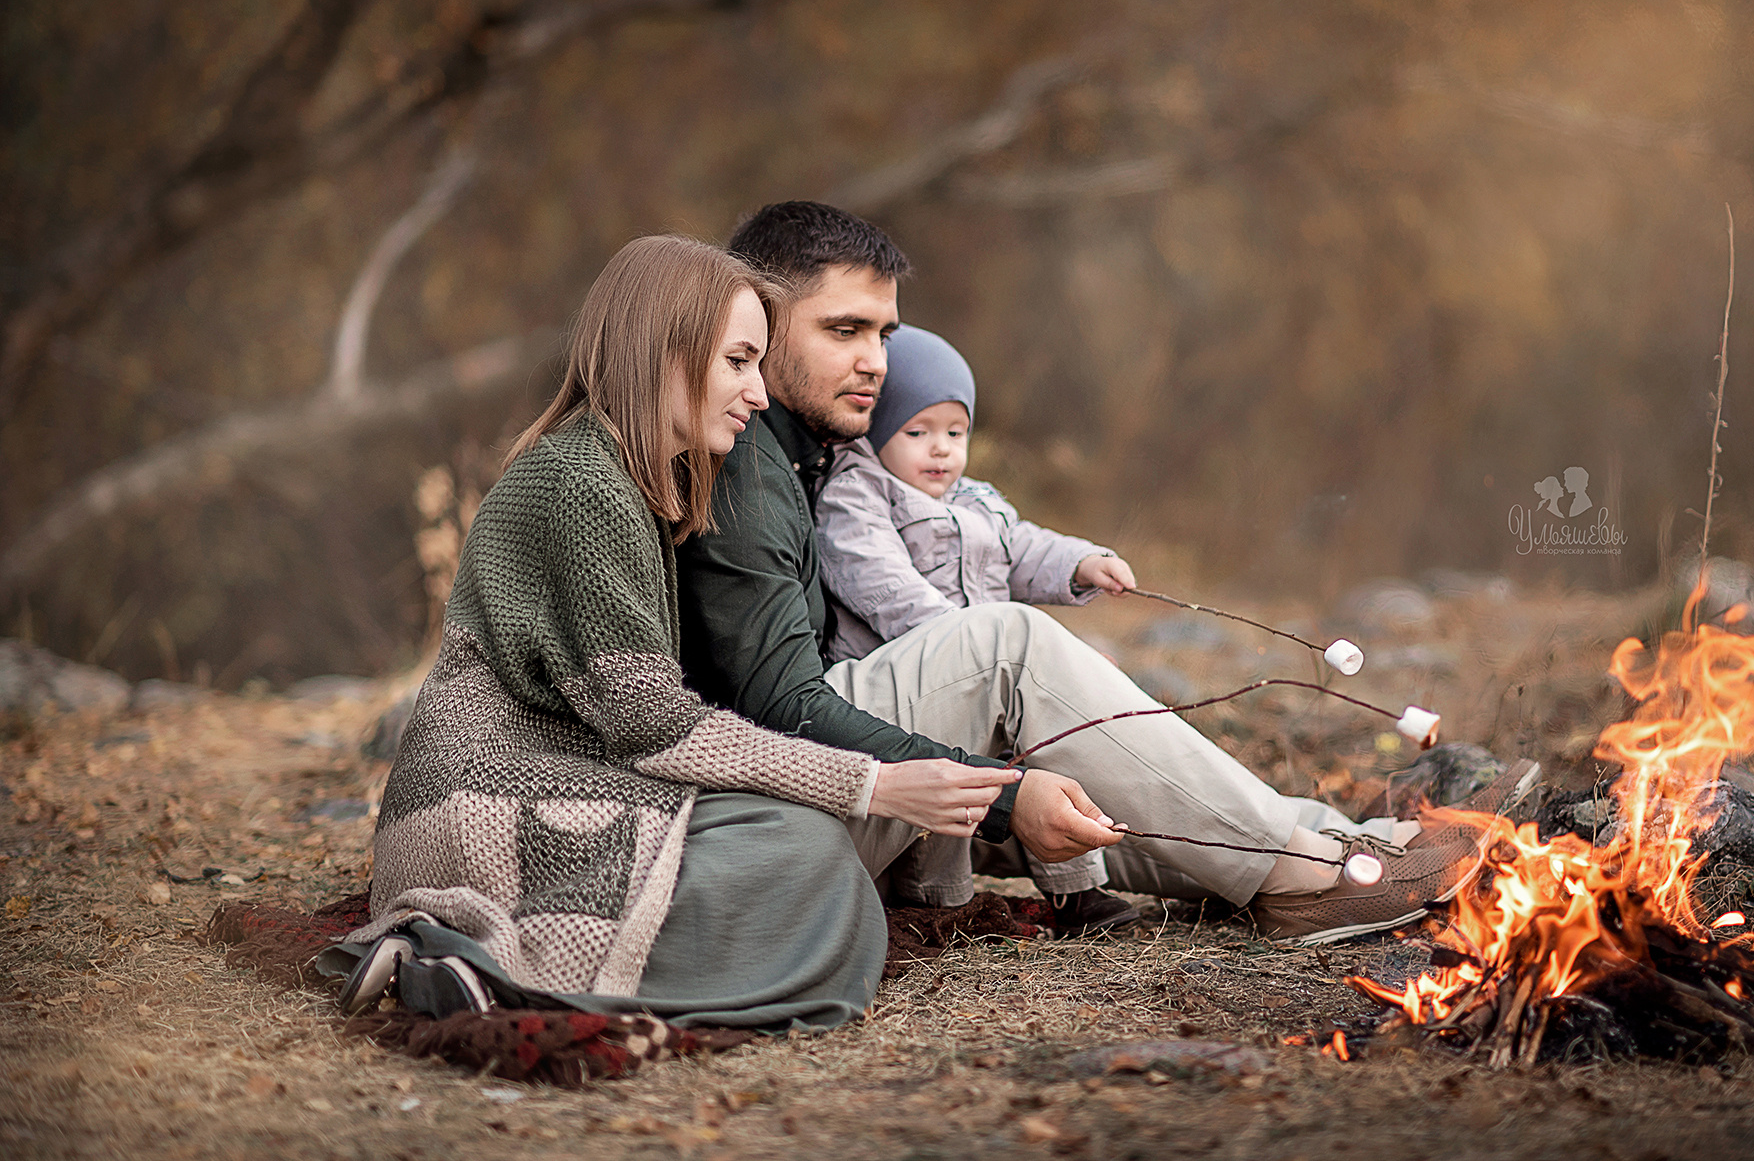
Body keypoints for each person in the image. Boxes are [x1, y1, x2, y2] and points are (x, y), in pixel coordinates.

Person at [675, 201, 1539, 944]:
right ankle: (1308, 874)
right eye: (844, 330)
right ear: (757, 318)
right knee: (997, 643)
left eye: (884, 334)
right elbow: (779, 707)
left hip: (823, 793)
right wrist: (1002, 791)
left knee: (1065, 739)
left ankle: (1345, 845)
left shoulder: (811, 455)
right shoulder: (743, 462)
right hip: (772, 828)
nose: (877, 360)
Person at [338, 235, 1021, 1028]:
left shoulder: (627, 474)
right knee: (806, 853)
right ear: (662, 352)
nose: (759, 394)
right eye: (738, 362)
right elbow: (653, 725)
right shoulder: (578, 481)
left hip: (561, 778)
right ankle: (482, 974)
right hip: (485, 802)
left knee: (801, 846)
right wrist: (876, 783)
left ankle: (492, 969)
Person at [813, 324, 1140, 929]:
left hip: (988, 672)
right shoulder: (855, 498)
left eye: (955, 433)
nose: (941, 450)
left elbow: (1023, 547)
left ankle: (1077, 887)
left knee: (1045, 746)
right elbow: (883, 586)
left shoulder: (976, 501)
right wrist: (974, 649)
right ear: (879, 430)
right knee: (954, 786)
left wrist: (1081, 562)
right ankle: (935, 902)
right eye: (917, 432)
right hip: (910, 683)